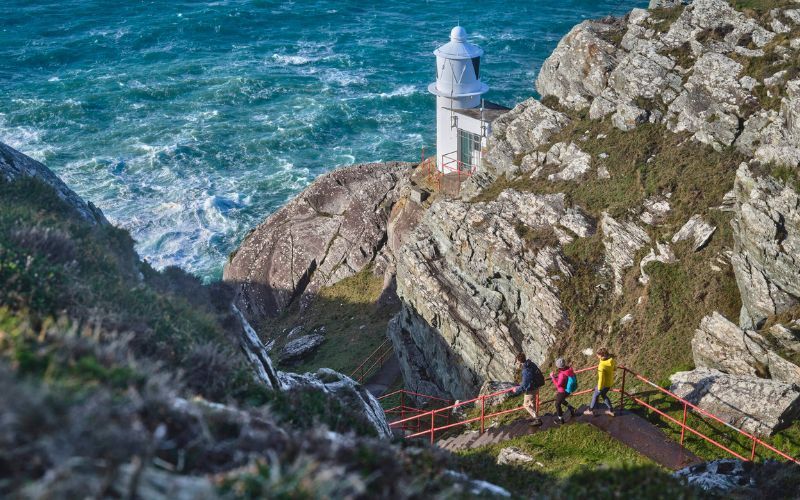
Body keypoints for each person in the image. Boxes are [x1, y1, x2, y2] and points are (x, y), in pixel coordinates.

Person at [510, 353, 544, 426]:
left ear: (519, 361)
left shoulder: (525, 370)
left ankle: (537, 419)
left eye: (517, 362)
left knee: (526, 405)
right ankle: (535, 417)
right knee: (532, 403)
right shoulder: (530, 363)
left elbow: (525, 385)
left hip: (531, 389)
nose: (517, 364)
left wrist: (516, 390)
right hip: (536, 386)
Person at [584, 347, 616, 417]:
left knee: (595, 395)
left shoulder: (601, 366)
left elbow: (601, 379)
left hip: (603, 385)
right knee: (604, 395)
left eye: (598, 355)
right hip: (609, 383)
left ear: (601, 355)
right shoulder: (611, 360)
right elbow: (614, 368)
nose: (597, 356)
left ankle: (590, 410)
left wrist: (599, 388)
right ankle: (611, 410)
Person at [549, 358, 577, 424]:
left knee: (557, 404)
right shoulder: (569, 369)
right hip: (568, 389)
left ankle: (561, 420)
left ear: (558, 366)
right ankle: (571, 408)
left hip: (563, 391)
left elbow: (558, 385)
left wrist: (552, 377)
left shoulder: (562, 374)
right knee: (561, 400)